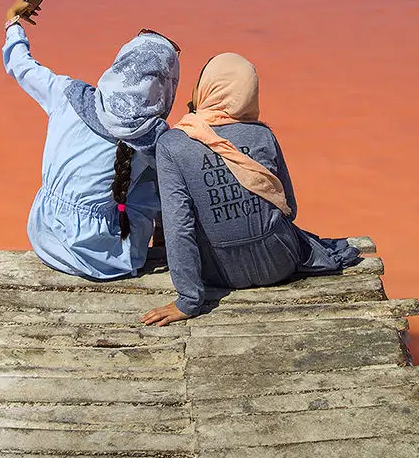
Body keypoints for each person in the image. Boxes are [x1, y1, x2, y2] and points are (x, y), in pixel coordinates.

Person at [142, 53, 362, 326]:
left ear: (203, 89)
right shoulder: (263, 135)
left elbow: (179, 226)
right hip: (279, 263)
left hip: (217, 272)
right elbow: (289, 208)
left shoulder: (172, 145)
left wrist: (188, 300)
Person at [2, 0, 181, 279]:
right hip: (106, 258)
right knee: (156, 175)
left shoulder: (66, 94)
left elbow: (22, 67)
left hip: (44, 233)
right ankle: (159, 240)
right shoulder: (156, 138)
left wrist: (13, 22)